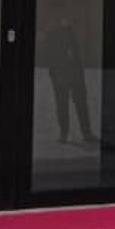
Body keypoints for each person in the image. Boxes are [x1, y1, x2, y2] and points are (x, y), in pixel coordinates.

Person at [40, 14, 95, 144]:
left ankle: (80, 133)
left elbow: (75, 51)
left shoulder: (66, 30)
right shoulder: (55, 32)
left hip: (71, 72)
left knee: (74, 103)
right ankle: (72, 133)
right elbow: (47, 54)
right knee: (66, 104)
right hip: (64, 72)